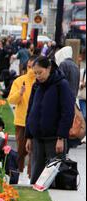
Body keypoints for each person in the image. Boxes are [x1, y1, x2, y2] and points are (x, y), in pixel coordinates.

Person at [25, 56, 75, 184]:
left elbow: (67, 112)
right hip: (37, 138)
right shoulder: (36, 86)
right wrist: (29, 136)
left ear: (49, 68)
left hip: (54, 139)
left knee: (52, 178)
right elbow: (30, 110)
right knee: (36, 177)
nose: (38, 76)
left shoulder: (61, 84)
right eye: (35, 73)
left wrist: (61, 137)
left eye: (40, 72)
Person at [7, 55, 39, 181]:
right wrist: (20, 93)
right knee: (20, 151)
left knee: (34, 152)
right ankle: (17, 174)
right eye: (28, 66)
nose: (30, 70)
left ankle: (32, 176)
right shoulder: (19, 81)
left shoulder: (40, 81)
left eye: (33, 67)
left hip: (36, 122)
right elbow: (11, 100)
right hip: (21, 121)